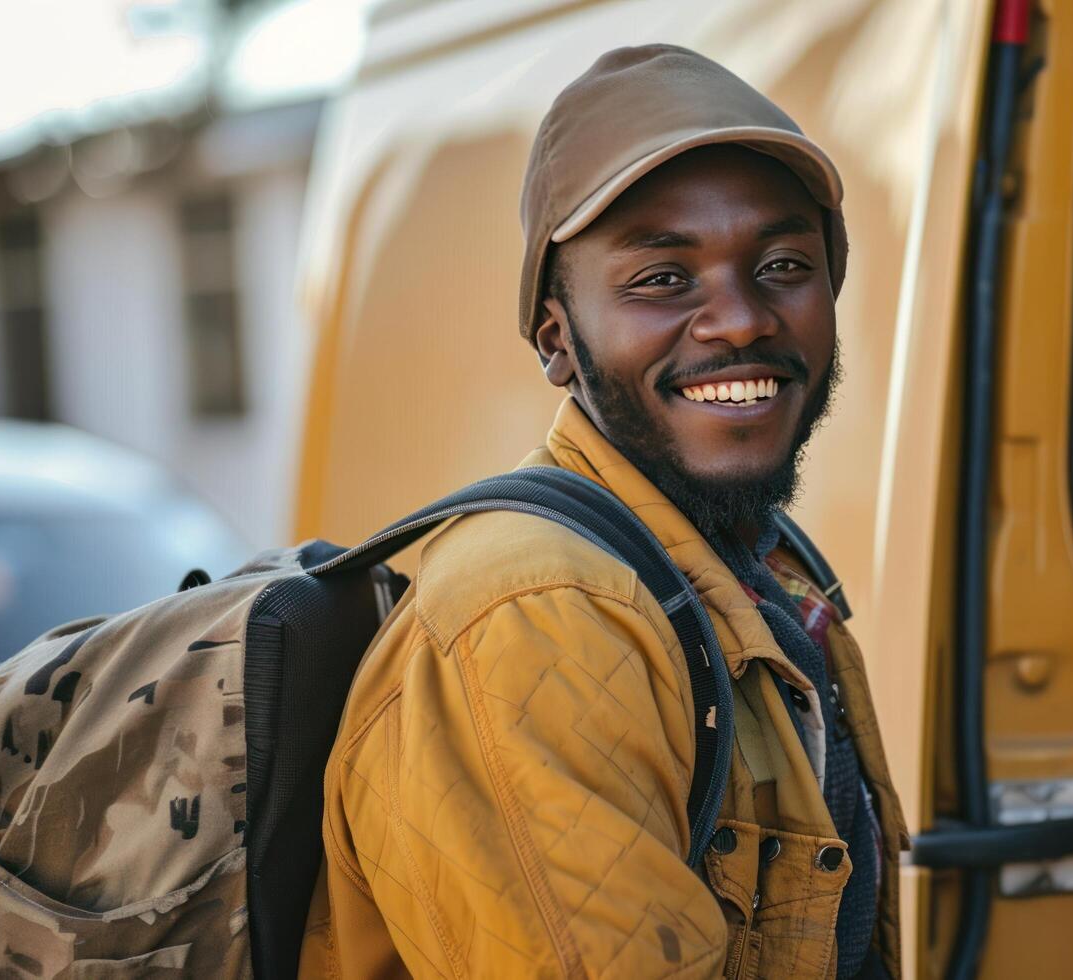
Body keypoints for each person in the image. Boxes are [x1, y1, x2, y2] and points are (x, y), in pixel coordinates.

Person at [300, 44, 906, 979]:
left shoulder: (763, 572)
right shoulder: (537, 616)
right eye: (663, 279)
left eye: (784, 262)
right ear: (557, 341)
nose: (741, 320)